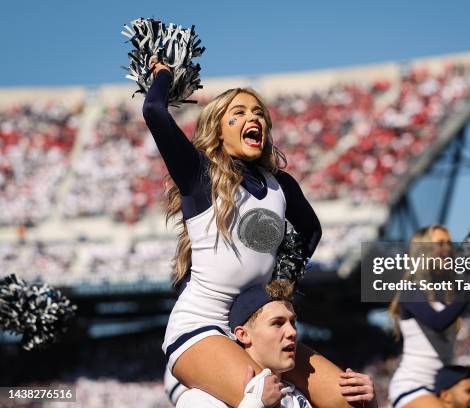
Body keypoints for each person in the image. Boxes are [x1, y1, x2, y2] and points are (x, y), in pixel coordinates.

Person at [143, 61, 352, 407]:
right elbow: (153, 109)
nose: (253, 118)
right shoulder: (199, 175)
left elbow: (310, 230)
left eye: (258, 113)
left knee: (350, 400)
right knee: (274, 402)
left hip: (259, 329)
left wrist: (285, 275)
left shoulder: (280, 186)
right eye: (238, 113)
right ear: (218, 130)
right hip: (201, 326)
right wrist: (164, 73)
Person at [173, 283, 377, 407]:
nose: (292, 332)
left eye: (293, 322)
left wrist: (369, 405)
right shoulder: (202, 398)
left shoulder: (300, 397)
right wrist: (254, 405)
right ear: (243, 335)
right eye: (277, 323)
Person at [387, 225, 470, 408]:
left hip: (442, 389)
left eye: (449, 244)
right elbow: (437, 322)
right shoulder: (410, 290)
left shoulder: (448, 293)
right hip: (413, 385)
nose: (446, 249)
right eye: (439, 244)